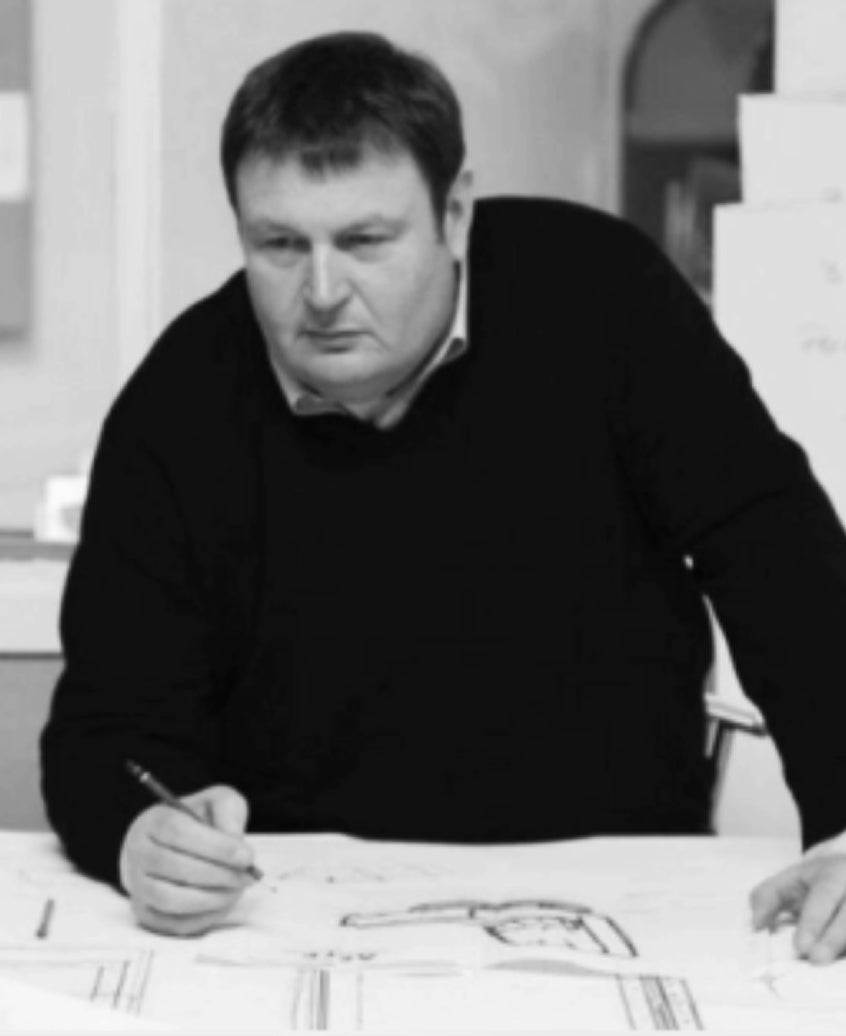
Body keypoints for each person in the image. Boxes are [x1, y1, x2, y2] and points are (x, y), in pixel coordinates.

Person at [40, 31, 846, 956]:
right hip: (296, 914)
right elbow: (105, 730)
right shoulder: (178, 403)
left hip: (618, 878)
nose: (322, 291)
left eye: (365, 241)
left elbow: (774, 550)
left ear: (455, 212)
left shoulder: (603, 297)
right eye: (280, 244)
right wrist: (140, 834)